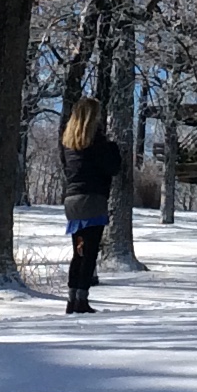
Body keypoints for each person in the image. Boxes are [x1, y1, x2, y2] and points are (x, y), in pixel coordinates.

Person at [58, 96, 121, 314]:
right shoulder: (98, 142)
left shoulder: (69, 144)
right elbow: (112, 167)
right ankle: (81, 301)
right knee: (90, 252)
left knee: (79, 251)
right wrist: (113, 147)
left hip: (72, 200)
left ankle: (72, 298)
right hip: (92, 199)